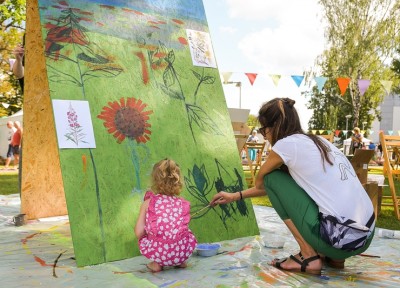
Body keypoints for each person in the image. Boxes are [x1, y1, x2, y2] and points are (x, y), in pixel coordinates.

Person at [210, 97, 375, 275]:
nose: (264, 136)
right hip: (365, 236)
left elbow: (263, 182)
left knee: (273, 177)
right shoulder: (319, 141)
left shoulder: (286, 145)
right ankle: (335, 259)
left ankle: (308, 255)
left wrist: (238, 193)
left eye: (263, 130)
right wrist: (235, 196)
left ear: (274, 126)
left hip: (341, 241)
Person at [134, 159, 197, 272]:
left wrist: (148, 233)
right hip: (182, 251)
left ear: (154, 180)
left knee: (150, 235)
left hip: (159, 253)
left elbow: (138, 233)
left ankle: (156, 264)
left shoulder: (149, 203)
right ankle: (180, 261)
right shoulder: (182, 203)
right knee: (184, 232)